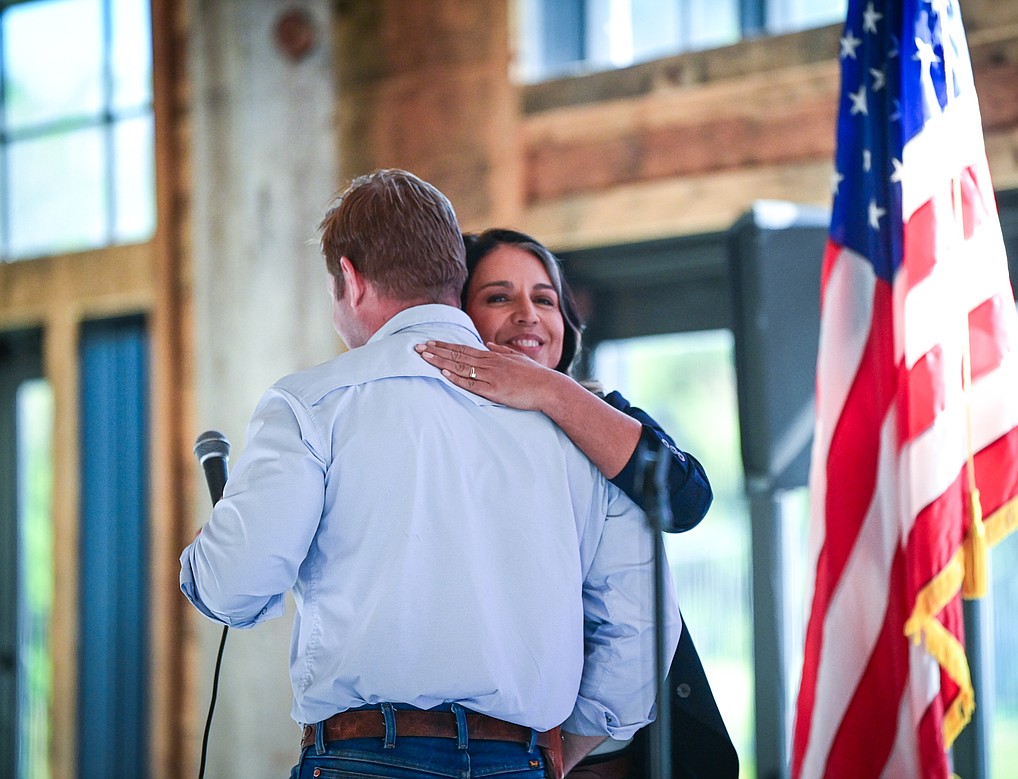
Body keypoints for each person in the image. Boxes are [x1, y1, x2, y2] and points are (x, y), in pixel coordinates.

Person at [178, 170, 680, 779]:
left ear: (352, 280)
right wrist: (572, 743)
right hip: (518, 761)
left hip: (363, 758)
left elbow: (235, 587)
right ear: (455, 277)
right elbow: (643, 617)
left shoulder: (311, 405)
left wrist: (209, 555)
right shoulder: (577, 424)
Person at [415, 228, 739, 779]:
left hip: (608, 753)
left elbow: (686, 502)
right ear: (458, 317)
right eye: (498, 297)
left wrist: (550, 390)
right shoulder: (431, 430)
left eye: (544, 299)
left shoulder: (596, 410)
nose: (527, 315)